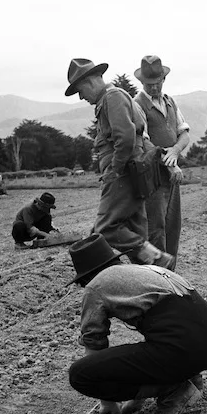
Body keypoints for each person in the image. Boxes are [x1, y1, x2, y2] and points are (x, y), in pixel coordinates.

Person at [67, 234, 207, 414]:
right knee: (153, 347)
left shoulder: (95, 286)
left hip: (185, 346)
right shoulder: (143, 271)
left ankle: (174, 390)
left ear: (85, 277)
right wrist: (138, 398)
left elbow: (94, 344)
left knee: (81, 374)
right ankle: (185, 377)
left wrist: (108, 402)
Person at [65, 58, 173, 267]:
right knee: (135, 230)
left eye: (80, 91)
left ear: (88, 83)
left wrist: (115, 170)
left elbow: (125, 137)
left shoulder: (112, 97)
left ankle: (155, 258)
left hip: (123, 174)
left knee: (104, 228)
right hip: (131, 173)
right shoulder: (111, 98)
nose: (82, 97)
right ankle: (154, 277)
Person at [133, 56, 190, 270]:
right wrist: (170, 163)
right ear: (142, 83)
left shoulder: (170, 101)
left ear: (164, 79)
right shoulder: (137, 104)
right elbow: (143, 141)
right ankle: (157, 279)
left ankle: (171, 276)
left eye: (157, 82)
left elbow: (184, 134)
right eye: (149, 83)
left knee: (173, 225)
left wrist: (175, 151)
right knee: (156, 229)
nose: (154, 86)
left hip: (171, 176)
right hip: (152, 177)